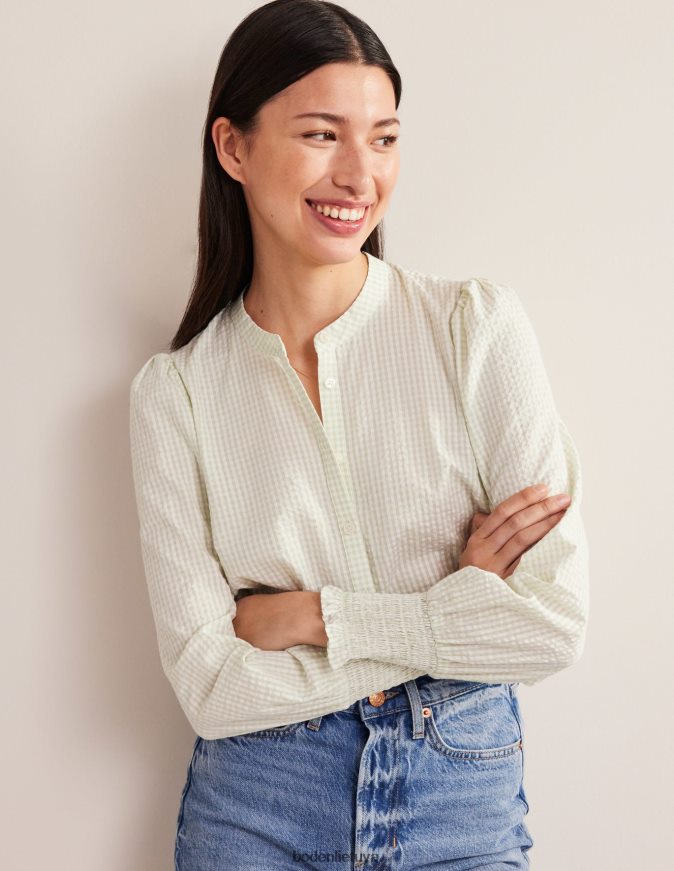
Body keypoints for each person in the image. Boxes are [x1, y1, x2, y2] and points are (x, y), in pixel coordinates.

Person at [128, 1, 590, 868]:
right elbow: (213, 687)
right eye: (321, 135)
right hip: (259, 802)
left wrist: (309, 615)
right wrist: (453, 609)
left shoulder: (474, 327)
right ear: (233, 147)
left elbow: (549, 626)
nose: (359, 175)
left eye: (383, 139)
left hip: (460, 792)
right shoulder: (177, 393)